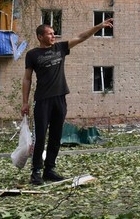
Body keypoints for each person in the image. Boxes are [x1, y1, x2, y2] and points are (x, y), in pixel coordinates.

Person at [22, 19, 113, 185]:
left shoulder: (60, 48)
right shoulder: (32, 54)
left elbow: (81, 37)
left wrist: (99, 27)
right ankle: (36, 172)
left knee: (56, 136)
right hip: (42, 100)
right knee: (40, 137)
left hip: (60, 98)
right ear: (40, 36)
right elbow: (27, 79)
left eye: (53, 33)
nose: (53, 35)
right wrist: (24, 102)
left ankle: (49, 170)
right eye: (49, 33)